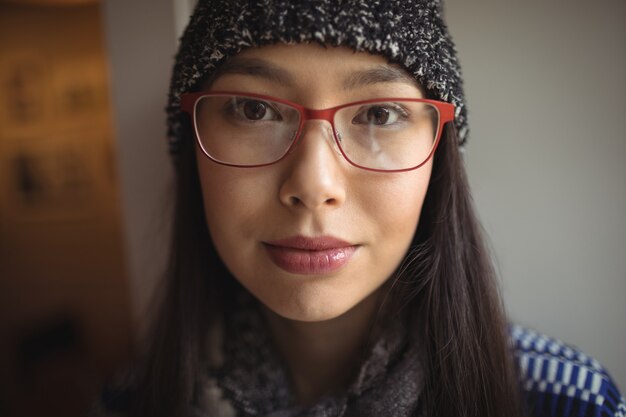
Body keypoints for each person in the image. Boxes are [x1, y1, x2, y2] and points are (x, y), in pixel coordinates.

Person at [90, 1, 625, 416]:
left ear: (438, 154)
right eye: (253, 110)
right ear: (193, 145)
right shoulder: (127, 404)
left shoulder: (569, 401)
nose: (313, 185)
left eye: (380, 114)